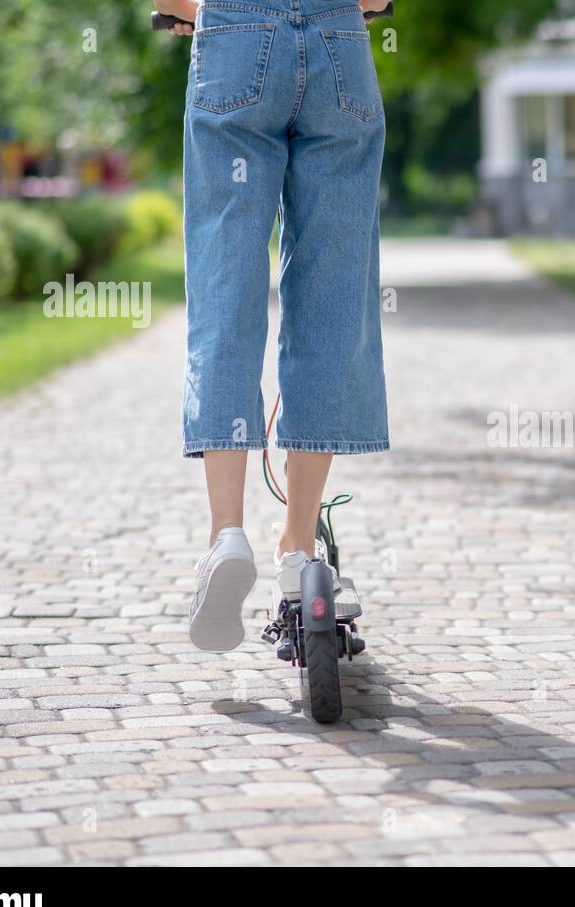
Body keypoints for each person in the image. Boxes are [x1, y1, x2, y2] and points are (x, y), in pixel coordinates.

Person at [154, 0, 395, 650]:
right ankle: (298, 547)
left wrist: (192, 14)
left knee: (224, 293)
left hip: (235, 41)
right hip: (338, 44)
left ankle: (227, 534)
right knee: (331, 302)